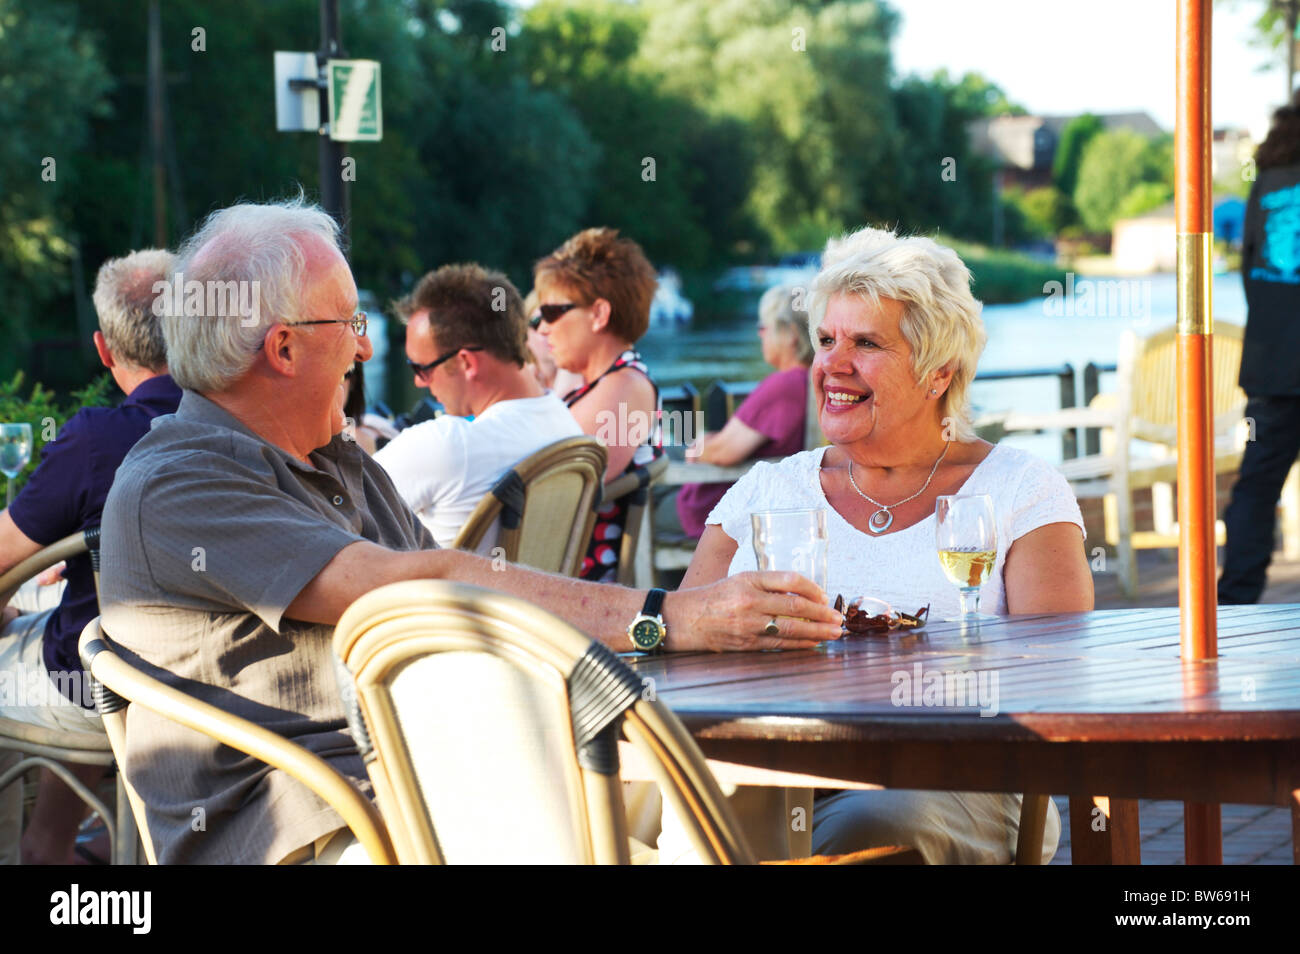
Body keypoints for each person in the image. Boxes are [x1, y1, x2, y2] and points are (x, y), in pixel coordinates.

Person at [97, 198, 843, 865]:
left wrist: (684, 628)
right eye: (352, 323)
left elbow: (463, 588)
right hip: (325, 828)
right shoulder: (178, 479)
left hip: (443, 767)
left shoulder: (338, 463)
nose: (365, 350)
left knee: (756, 783)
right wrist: (666, 616)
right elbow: (428, 588)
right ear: (284, 349)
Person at [663, 226, 1094, 864]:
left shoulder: (1019, 491)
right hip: (775, 763)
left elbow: (1059, 677)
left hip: (955, 775)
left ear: (937, 371)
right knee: (667, 814)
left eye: (866, 343)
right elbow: (681, 645)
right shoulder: (768, 488)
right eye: (827, 340)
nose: (833, 364)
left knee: (871, 826)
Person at [0, 249, 182, 865]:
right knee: (86, 635)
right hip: (206, 688)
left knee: (58, 642)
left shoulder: (95, 438)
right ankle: (74, 851)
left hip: (100, 681)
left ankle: (32, 852)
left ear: (104, 350)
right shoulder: (242, 422)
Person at [373, 264, 584, 550]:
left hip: (442, 596)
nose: (419, 382)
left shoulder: (445, 445)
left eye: (422, 368)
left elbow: (335, 515)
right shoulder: (567, 425)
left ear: (466, 363)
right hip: (533, 594)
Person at [533, 228, 660, 581]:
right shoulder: (601, 383)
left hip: (573, 586)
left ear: (599, 314)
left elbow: (557, 486)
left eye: (552, 312)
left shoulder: (624, 388)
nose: (542, 328)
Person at [1219, 97, 1300, 604]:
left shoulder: (1264, 185)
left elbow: (1249, 269)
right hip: (1275, 361)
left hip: (1271, 363)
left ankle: (1233, 604)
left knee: (1255, 487)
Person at [657, 283, 814, 542]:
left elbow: (723, 452)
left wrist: (700, 447)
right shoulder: (808, 382)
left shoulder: (784, 386)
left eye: (763, 327)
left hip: (716, 510)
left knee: (638, 496)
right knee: (657, 457)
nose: (760, 335)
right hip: (754, 501)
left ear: (790, 334)